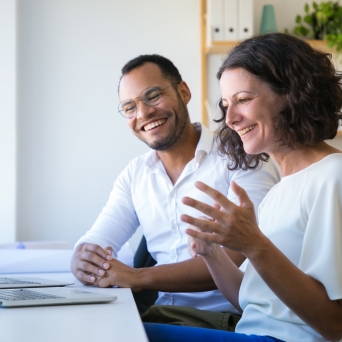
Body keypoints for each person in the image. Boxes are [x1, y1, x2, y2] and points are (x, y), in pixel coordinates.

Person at [143, 33, 342, 342]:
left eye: (244, 100)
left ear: (292, 93)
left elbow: (335, 324)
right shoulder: (280, 188)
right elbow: (252, 303)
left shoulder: (333, 176)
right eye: (226, 104)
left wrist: (253, 244)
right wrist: (211, 253)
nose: (231, 118)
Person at [71, 54, 280, 326]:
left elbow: (241, 253)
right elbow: (98, 239)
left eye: (153, 95)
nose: (143, 113)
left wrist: (141, 277)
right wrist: (83, 257)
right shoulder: (135, 174)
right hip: (161, 316)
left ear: (183, 92)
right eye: (129, 107)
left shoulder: (242, 158)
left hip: (228, 320)